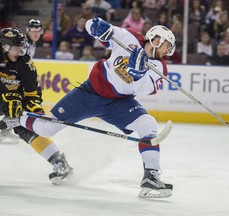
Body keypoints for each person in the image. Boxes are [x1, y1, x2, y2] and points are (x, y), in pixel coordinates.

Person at [2, 18, 176, 198]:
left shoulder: (158, 67)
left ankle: (151, 176)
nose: (167, 52)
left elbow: (146, 88)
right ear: (156, 40)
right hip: (89, 93)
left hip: (119, 103)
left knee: (147, 124)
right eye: (166, 46)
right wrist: (96, 26)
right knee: (45, 128)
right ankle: (16, 119)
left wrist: (138, 76)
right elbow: (90, 26)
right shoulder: (129, 37)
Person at [0, 27, 73, 184]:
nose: (20, 51)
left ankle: (60, 163)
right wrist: (6, 96)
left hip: (16, 102)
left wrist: (36, 112)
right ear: (4, 47)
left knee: (25, 129)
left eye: (21, 46)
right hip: (4, 99)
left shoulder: (26, 63)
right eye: (16, 48)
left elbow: (32, 93)